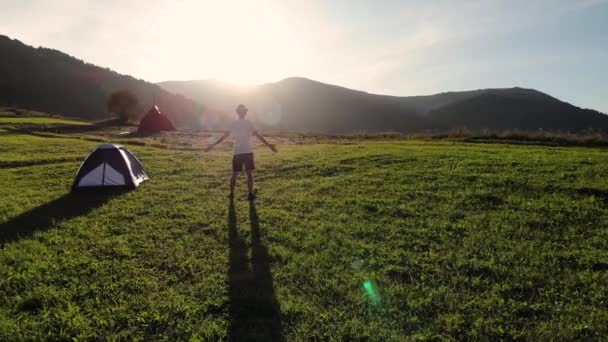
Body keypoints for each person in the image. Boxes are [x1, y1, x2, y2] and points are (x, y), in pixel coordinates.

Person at [205, 104, 277, 200]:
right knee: (249, 173)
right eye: (244, 111)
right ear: (245, 112)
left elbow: (224, 136)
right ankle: (250, 194)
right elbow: (259, 136)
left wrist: (213, 145)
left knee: (235, 174)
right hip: (248, 151)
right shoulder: (249, 123)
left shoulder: (233, 123)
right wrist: (269, 145)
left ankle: (231, 193)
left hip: (237, 152)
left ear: (237, 112)